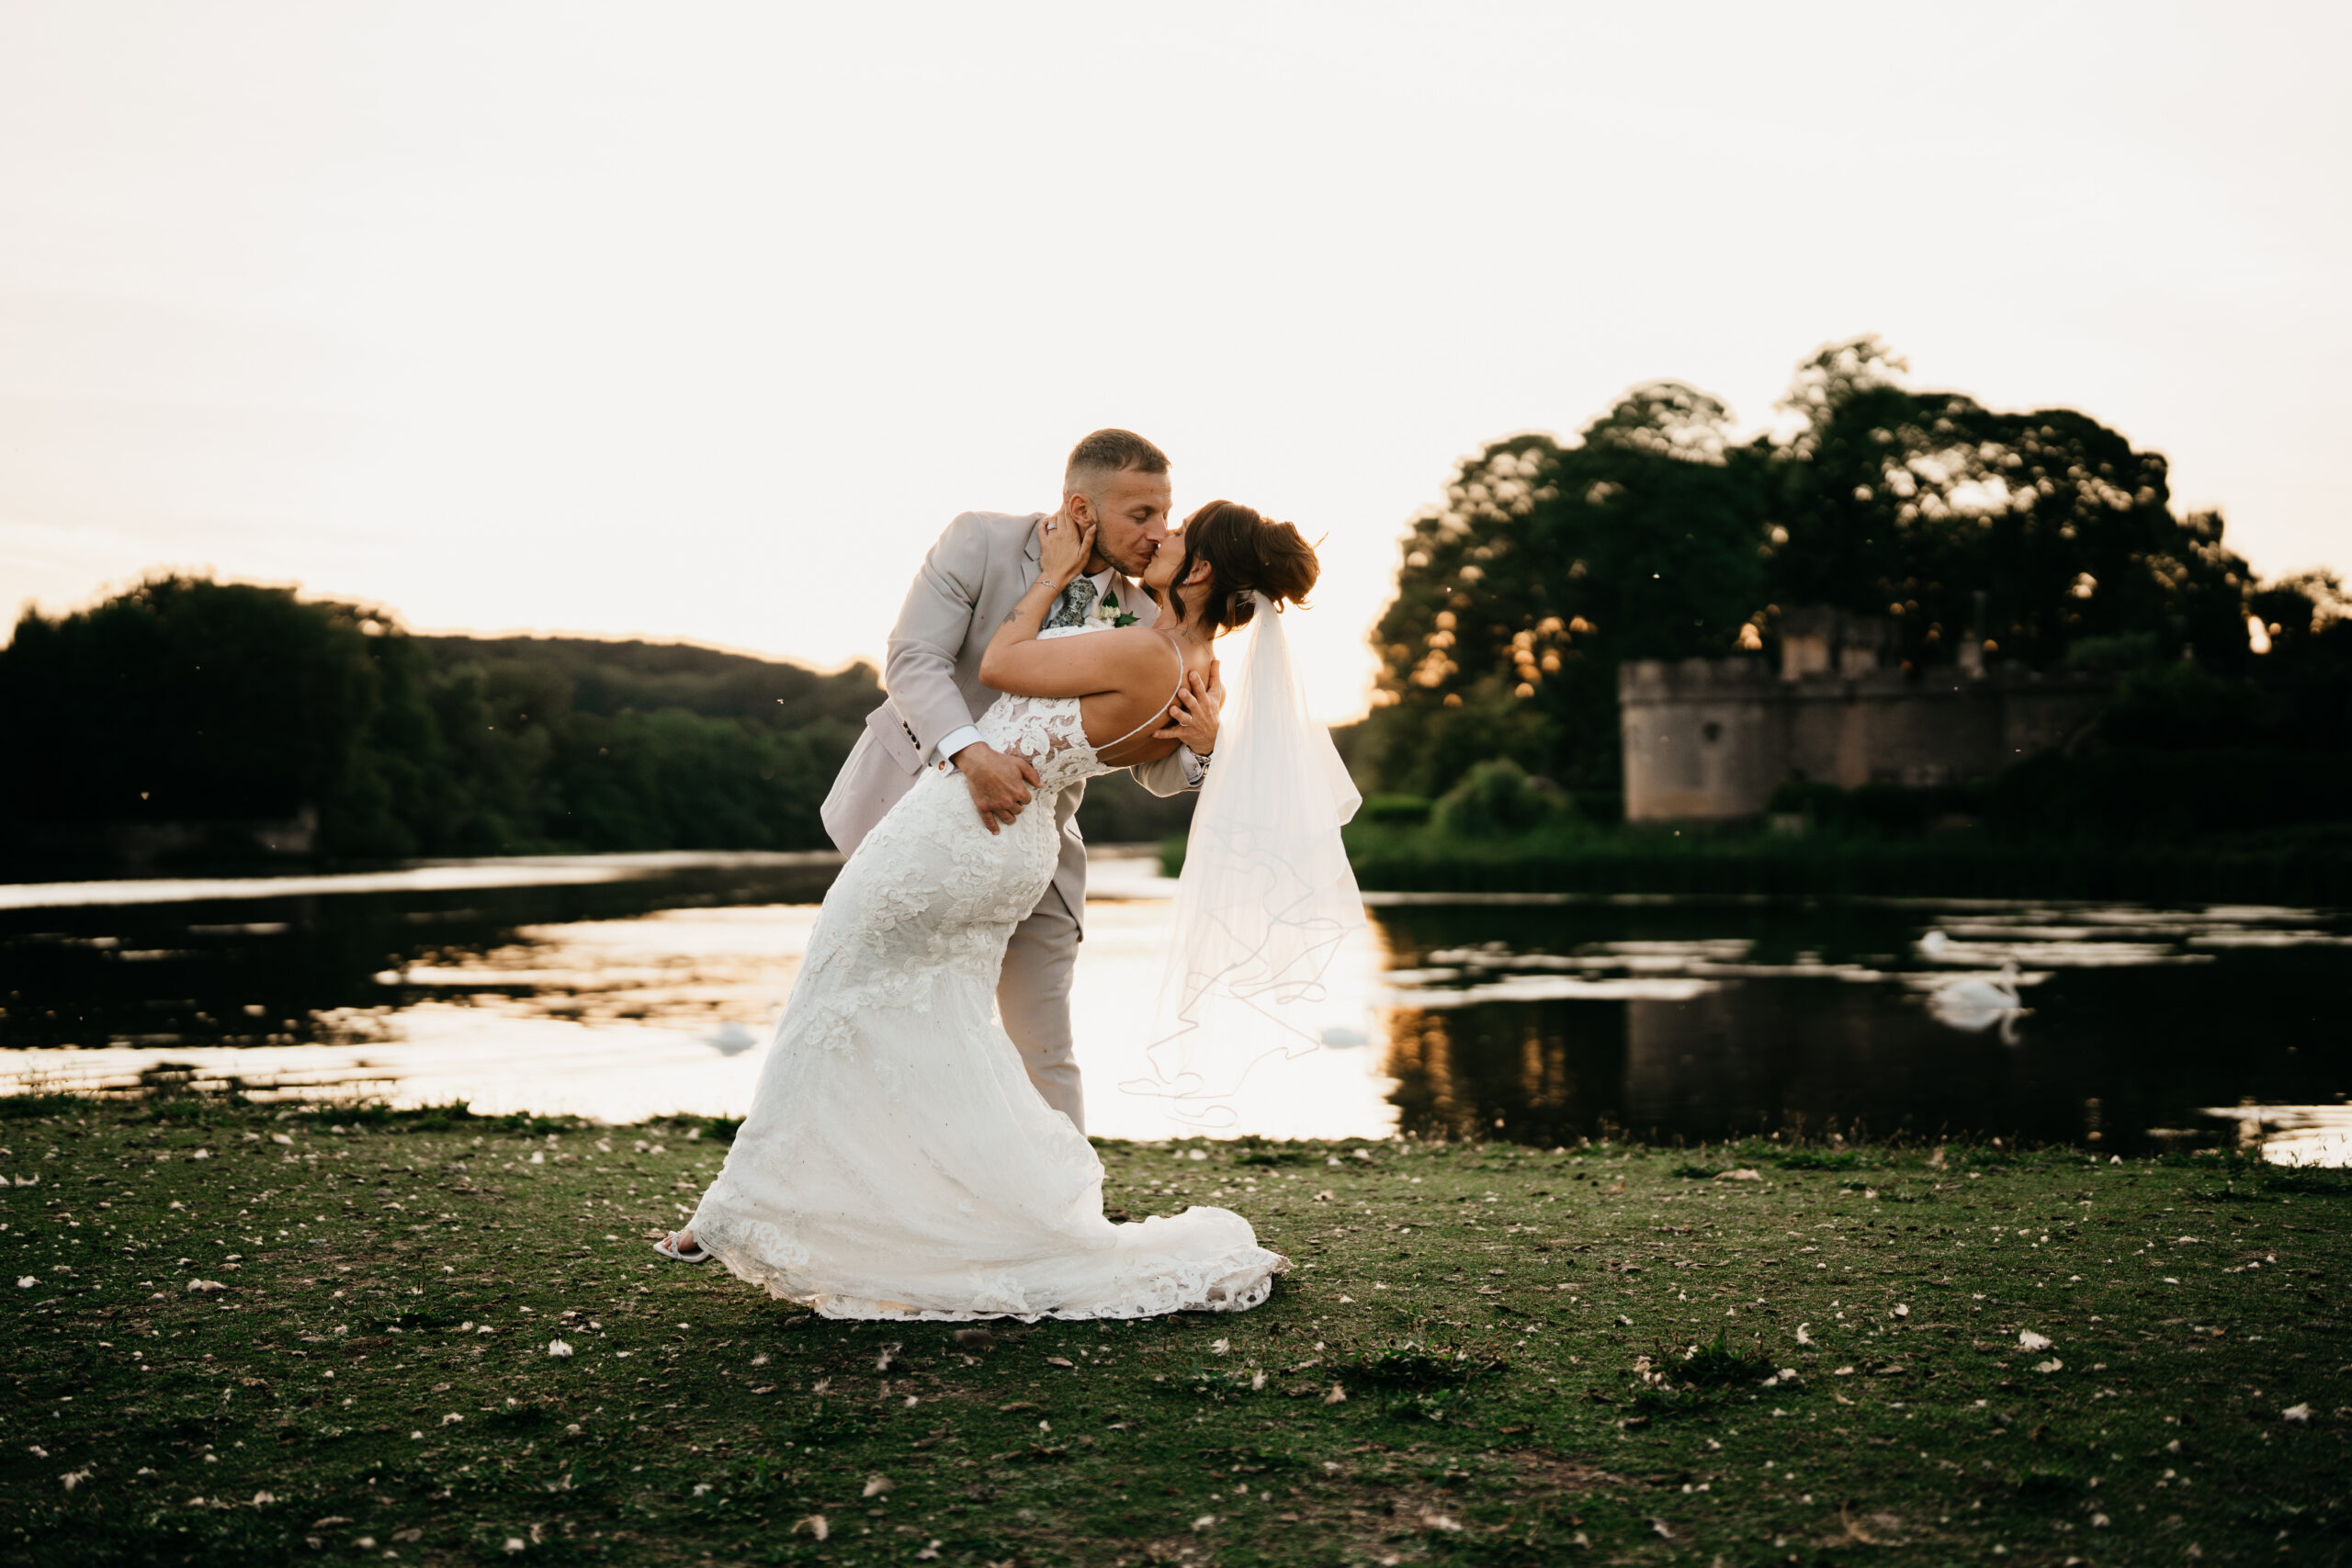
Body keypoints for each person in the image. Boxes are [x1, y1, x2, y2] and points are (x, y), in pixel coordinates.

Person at [656, 494, 1322, 1320]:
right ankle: (942, 1208)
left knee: (832, 990)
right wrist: (1207, 740)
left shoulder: (1151, 648)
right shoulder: (1195, 667)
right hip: (1012, 843)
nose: (1163, 533)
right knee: (943, 1025)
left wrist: (1048, 581)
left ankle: (742, 1208)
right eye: (1153, 512)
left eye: (1179, 530)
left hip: (961, 829)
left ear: (1206, 567)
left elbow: (1004, 665)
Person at [816, 428, 1221, 1131]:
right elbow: (913, 659)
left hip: (1035, 845)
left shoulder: (1151, 614)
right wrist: (972, 755)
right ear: (1081, 508)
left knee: (1045, 1046)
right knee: (860, 1012)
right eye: (1142, 515)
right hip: (915, 817)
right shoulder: (977, 541)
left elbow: (1150, 766)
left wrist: (1204, 749)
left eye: (1165, 513)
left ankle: (1070, 1219)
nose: (1161, 534)